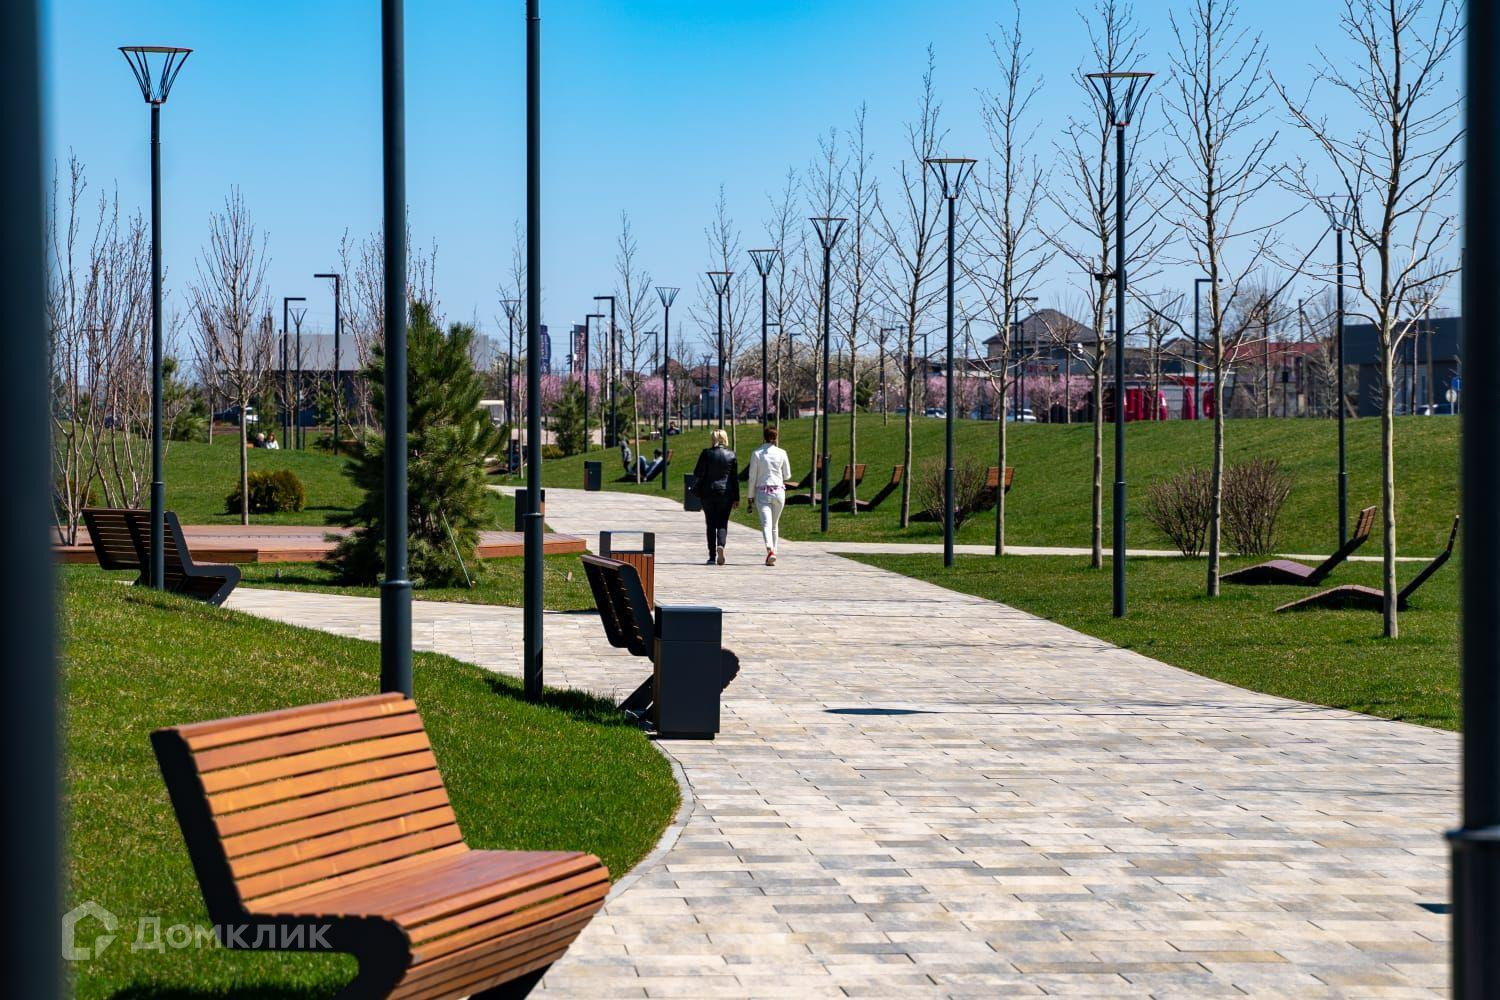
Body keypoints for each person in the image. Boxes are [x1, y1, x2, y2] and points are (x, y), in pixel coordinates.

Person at [691, 428, 739, 565]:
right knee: (723, 522)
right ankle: (721, 545)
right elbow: (734, 478)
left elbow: (697, 472)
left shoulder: (706, 453)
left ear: (713, 439)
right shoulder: (731, 455)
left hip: (708, 492)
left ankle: (712, 556)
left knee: (710, 524)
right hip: (726, 493)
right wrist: (736, 497)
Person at [747, 425, 792, 566]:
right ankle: (774, 552)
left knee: (766, 523)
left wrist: (750, 496)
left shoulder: (757, 454)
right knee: (775, 524)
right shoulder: (782, 453)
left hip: (763, 492)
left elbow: (752, 478)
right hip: (779, 491)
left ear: (764, 437)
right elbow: (787, 475)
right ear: (776, 438)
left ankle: (770, 549)